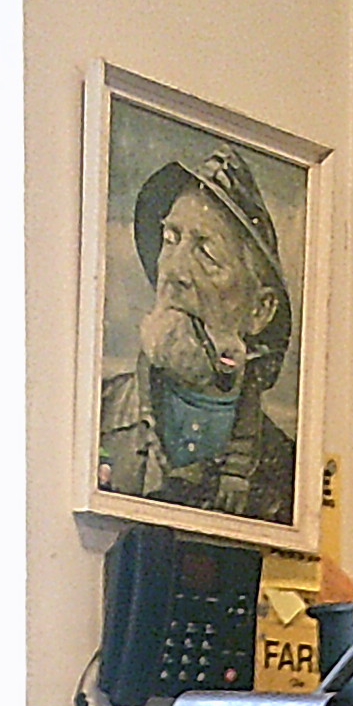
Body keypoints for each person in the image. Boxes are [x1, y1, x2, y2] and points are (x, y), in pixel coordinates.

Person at [97, 145, 297, 525]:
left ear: (260, 310)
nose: (174, 271)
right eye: (170, 239)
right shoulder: (98, 416)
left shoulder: (284, 470)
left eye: (206, 252)